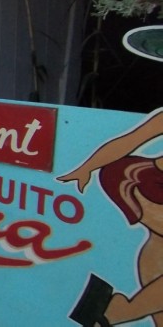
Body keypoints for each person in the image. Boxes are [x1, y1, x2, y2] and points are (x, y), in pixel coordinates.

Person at [60, 109, 163, 326]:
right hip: (150, 184)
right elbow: (129, 140)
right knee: (157, 247)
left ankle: (118, 312)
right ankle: (119, 311)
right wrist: (87, 168)